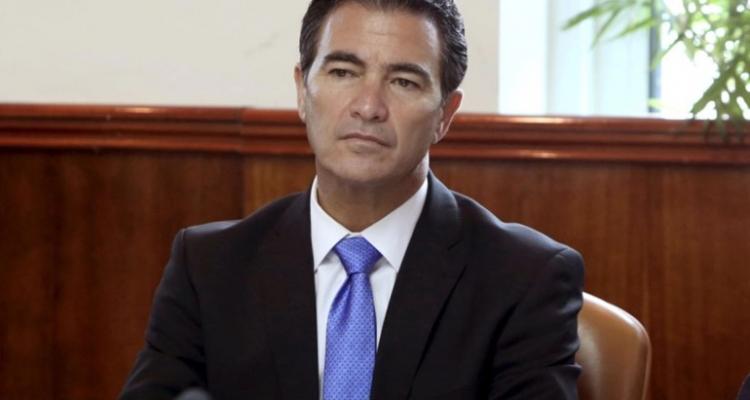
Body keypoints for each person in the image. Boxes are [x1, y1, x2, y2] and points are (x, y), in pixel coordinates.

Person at [120, 0, 584, 399]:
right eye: (343, 72)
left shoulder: (524, 279)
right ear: (302, 91)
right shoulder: (209, 268)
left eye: (404, 81)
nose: (368, 106)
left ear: (446, 114)